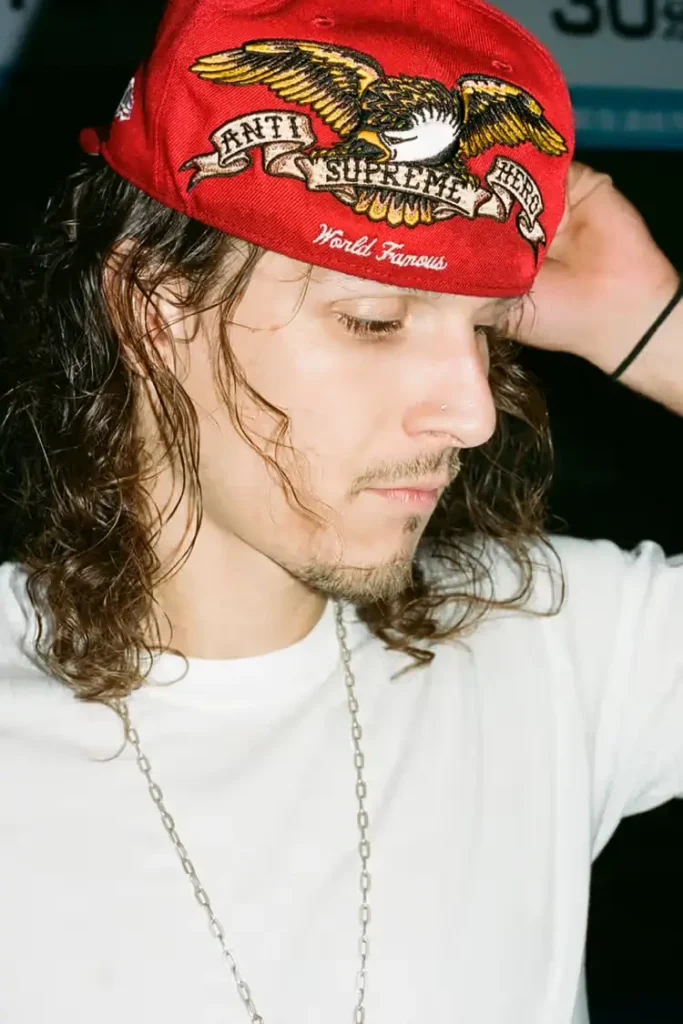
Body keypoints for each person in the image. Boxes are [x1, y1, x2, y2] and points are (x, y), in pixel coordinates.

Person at [0, 0, 681, 1021]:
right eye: (373, 322)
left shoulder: (553, 642)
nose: (469, 415)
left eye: (485, 329)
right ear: (153, 311)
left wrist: (656, 329)